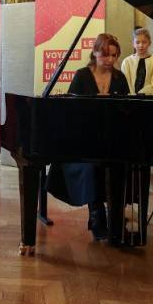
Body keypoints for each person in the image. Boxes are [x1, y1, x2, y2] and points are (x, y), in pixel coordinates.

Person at [46, 33, 129, 241]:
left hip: (113, 138)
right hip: (84, 139)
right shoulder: (82, 75)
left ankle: (115, 217)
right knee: (91, 165)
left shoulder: (119, 78)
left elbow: (128, 110)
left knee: (121, 163)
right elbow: (72, 111)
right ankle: (97, 214)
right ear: (95, 52)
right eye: (105, 55)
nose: (110, 60)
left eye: (114, 56)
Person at [120, 28, 153, 96]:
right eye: (137, 42)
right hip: (130, 98)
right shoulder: (127, 61)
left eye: (144, 42)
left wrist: (141, 94)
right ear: (133, 44)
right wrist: (133, 95)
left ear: (149, 43)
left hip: (149, 97)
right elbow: (126, 82)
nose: (141, 45)